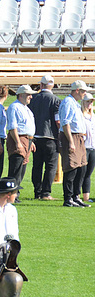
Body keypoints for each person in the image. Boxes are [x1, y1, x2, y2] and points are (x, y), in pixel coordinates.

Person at [59, 80, 91, 208]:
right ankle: (68, 198)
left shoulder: (75, 104)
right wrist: (71, 142)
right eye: (83, 91)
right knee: (71, 167)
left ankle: (75, 196)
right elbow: (65, 123)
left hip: (79, 137)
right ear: (77, 90)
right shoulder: (68, 102)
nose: (84, 94)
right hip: (71, 136)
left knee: (81, 167)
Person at [30, 75, 61, 201]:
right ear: (52, 85)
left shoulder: (33, 99)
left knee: (37, 166)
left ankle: (37, 191)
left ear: (41, 85)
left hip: (35, 137)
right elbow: (58, 120)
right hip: (50, 137)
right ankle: (46, 192)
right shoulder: (56, 100)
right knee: (50, 166)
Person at [6, 85, 37, 203]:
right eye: (29, 94)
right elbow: (13, 126)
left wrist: (31, 141)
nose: (31, 97)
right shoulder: (14, 107)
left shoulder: (26, 108)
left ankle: (15, 194)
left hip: (27, 140)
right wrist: (18, 142)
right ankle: (11, 194)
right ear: (22, 95)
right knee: (16, 168)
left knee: (22, 168)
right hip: (19, 138)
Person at [81, 93, 95, 204]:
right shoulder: (81, 115)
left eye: (91, 102)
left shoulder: (93, 116)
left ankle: (86, 196)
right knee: (81, 172)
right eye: (88, 101)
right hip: (84, 147)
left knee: (88, 173)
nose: (90, 104)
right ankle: (75, 193)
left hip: (93, 147)